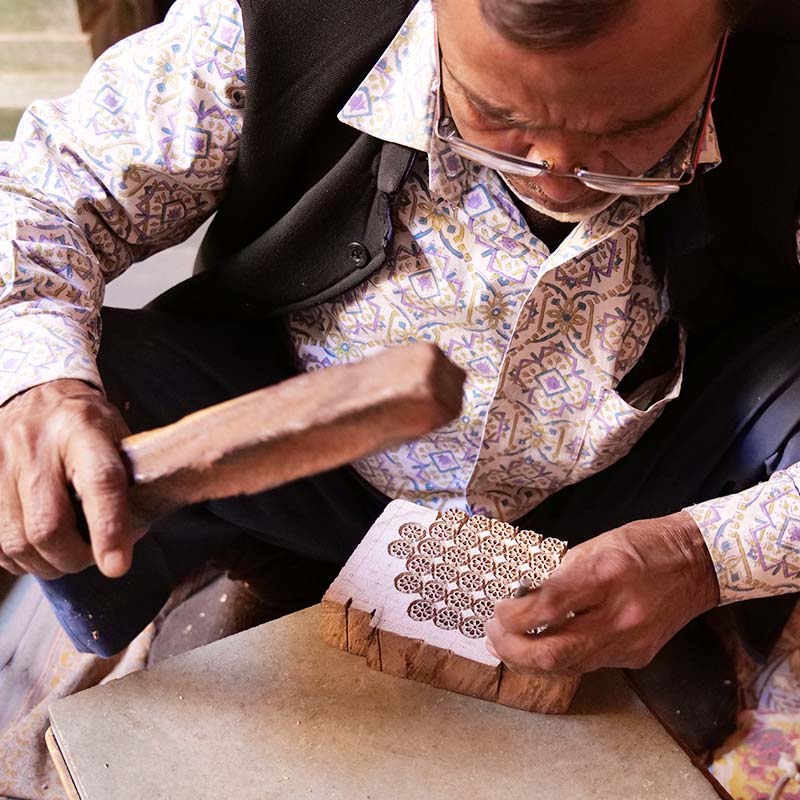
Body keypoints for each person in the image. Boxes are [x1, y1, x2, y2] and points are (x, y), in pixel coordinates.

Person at [1, 0, 798, 749]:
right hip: (302, 468)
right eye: (500, 119)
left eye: (634, 127)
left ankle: (681, 599)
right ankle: (219, 572)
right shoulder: (275, 28)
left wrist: (706, 558)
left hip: (648, 483)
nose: (558, 180)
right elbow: (39, 194)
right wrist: (40, 390)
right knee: (74, 381)